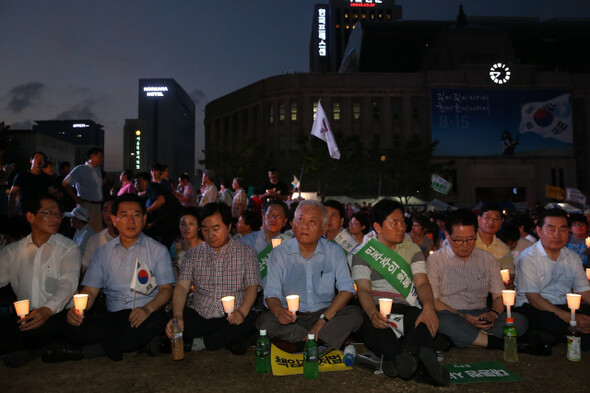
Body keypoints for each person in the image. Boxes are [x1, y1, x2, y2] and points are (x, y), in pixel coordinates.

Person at [42, 194, 175, 363]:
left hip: (146, 312)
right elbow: (90, 290)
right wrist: (77, 310)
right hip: (114, 316)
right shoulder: (102, 252)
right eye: (125, 215)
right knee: (72, 323)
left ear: (144, 218)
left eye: (136, 215)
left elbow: (166, 290)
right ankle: (135, 343)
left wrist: (147, 309)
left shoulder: (158, 250)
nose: (131, 221)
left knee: (155, 322)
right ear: (114, 219)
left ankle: (87, 351)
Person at [351, 199, 449, 386]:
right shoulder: (362, 254)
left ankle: (399, 360)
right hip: (378, 308)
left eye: (403, 222)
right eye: (394, 223)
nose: (402, 228)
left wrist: (428, 307)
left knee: (422, 319)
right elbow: (363, 289)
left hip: (406, 307)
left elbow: (421, 284)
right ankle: (419, 365)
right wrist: (372, 313)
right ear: (378, 227)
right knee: (373, 326)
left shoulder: (412, 249)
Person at [427, 209, 543, 354]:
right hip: (452, 314)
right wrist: (464, 317)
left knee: (519, 321)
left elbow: (498, 296)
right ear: (447, 236)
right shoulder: (435, 261)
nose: (465, 245)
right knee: (440, 322)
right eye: (458, 240)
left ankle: (463, 338)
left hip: (482, 314)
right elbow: (435, 301)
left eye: (470, 239)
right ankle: (498, 343)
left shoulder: (487, 259)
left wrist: (493, 314)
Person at [257, 200, 363, 352]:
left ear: (323, 229)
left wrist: (323, 320)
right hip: (292, 317)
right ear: (293, 225)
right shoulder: (279, 253)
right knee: (264, 321)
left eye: (312, 221)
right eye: (300, 220)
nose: (304, 226)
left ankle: (301, 344)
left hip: (325, 314)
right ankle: (319, 343)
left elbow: (347, 289)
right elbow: (271, 293)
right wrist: (279, 311)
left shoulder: (334, 252)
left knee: (355, 314)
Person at [165, 202, 259, 355]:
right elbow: (182, 286)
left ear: (228, 227)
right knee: (171, 318)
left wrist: (241, 312)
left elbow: (252, 287)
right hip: (202, 314)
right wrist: (177, 316)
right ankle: (226, 340)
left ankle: (200, 343)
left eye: (216, 229)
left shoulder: (247, 253)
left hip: (232, 315)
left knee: (252, 319)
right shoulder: (193, 254)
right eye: (205, 229)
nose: (210, 235)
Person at [0, 194, 81, 367]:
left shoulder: (68, 248)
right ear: (31, 217)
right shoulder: (13, 251)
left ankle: (28, 349)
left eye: (58, 214)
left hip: (55, 314)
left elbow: (67, 284)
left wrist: (47, 310)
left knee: (51, 329)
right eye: (49, 213)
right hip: (25, 315)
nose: (56, 219)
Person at [514, 208, 590, 351]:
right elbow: (534, 299)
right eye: (551, 229)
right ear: (539, 231)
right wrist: (569, 318)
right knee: (574, 332)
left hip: (563, 306)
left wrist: (571, 316)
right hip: (533, 307)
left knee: (582, 319)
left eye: (563, 229)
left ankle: (549, 334)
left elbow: (584, 290)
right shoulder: (528, 258)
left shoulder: (572, 257)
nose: (557, 235)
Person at [240, 200, 289, 290]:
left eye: (278, 216)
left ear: (284, 222)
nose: (273, 219)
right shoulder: (247, 242)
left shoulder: (289, 243)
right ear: (263, 217)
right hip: (253, 294)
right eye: (270, 215)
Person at [134, 172, 181, 248]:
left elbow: (161, 200)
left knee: (150, 234)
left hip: (171, 218)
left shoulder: (151, 186)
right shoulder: (152, 189)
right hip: (172, 218)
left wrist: (144, 212)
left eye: (135, 182)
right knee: (164, 241)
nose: (134, 185)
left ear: (141, 180)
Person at [62, 147, 104, 232]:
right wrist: (75, 197)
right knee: (85, 232)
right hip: (86, 205)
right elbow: (65, 183)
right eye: (99, 157)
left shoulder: (97, 170)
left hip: (97, 207)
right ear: (92, 156)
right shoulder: (80, 169)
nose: (101, 159)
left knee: (96, 233)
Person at [8, 151, 52, 216]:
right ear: (31, 160)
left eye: (41, 159)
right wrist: (11, 208)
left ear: (44, 163)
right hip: (24, 210)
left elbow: (50, 194)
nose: (39, 160)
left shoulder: (46, 178)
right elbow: (13, 192)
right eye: (37, 158)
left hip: (40, 211)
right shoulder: (22, 175)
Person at [81, 200, 117, 278]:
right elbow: (84, 267)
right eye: (106, 210)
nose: (109, 214)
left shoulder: (131, 239)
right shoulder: (95, 239)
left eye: (113, 210)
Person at [476, 203, 514, 273]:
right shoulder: (467, 242)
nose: (491, 222)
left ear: (501, 222)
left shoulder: (504, 249)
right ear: (479, 219)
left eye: (496, 219)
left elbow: (509, 276)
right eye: (487, 217)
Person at [170, 207, 203, 278]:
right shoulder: (175, 247)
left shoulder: (207, 247)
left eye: (191, 224)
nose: (186, 228)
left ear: (199, 227)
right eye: (183, 224)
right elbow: (175, 272)